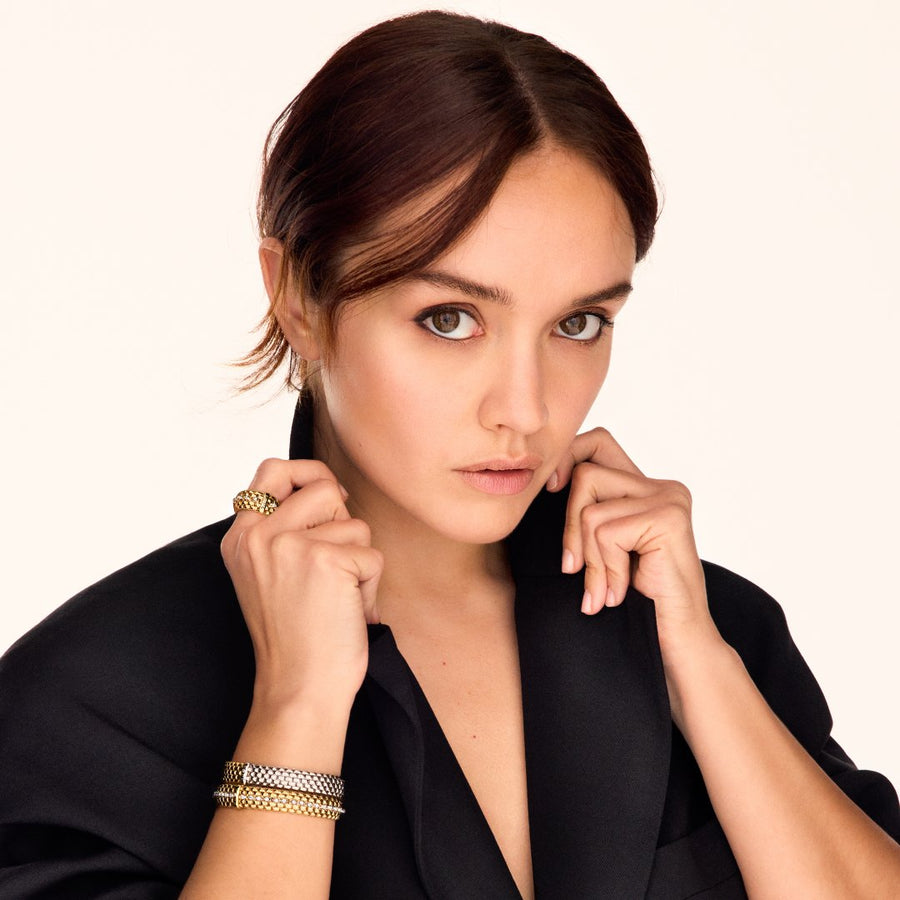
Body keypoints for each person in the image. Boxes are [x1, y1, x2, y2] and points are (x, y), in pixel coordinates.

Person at [1, 10, 898, 899]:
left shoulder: (707, 626)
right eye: (450, 319)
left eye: (578, 324)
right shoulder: (90, 704)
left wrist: (703, 669)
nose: (526, 407)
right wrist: (298, 712)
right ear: (299, 298)